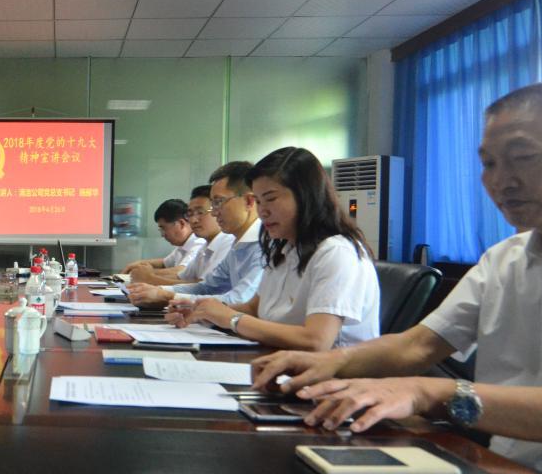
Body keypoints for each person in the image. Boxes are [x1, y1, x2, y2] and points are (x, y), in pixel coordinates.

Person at [252, 83, 542, 474]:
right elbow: (418, 345)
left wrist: (429, 393)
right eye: (489, 163)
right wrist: (326, 364)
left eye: (524, 156)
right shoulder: (504, 259)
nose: (501, 181)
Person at [168, 147, 379, 350]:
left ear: (305, 195)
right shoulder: (284, 249)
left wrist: (231, 319)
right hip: (280, 360)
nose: (262, 211)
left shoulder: (336, 252)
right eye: (259, 202)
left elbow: (316, 341)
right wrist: (203, 312)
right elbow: (254, 309)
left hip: (330, 371)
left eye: (270, 199)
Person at [129, 162, 263, 308]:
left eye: (219, 202)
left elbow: (240, 300)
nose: (214, 212)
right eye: (213, 204)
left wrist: (167, 295)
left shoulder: (263, 244)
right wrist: (158, 290)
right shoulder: (237, 244)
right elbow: (207, 287)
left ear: (249, 201)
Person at [122, 198, 205, 284]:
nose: (162, 234)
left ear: (181, 224)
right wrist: (139, 263)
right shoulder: (182, 245)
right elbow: (164, 263)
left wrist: (147, 274)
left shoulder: (199, 243)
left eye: (164, 228)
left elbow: (181, 271)